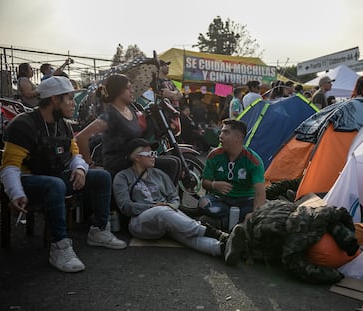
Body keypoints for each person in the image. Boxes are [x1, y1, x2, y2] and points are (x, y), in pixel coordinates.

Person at [1, 76, 127, 273]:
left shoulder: (64, 125)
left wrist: (79, 169)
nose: (73, 103)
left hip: (56, 177)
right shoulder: (23, 125)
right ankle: (59, 245)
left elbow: (75, 154)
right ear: (54, 100)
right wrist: (16, 193)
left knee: (101, 176)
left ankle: (100, 231)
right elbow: (9, 167)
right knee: (55, 185)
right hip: (28, 180)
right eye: (69, 98)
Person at [112, 138, 246, 264]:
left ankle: (221, 249)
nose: (154, 156)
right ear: (137, 157)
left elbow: (174, 197)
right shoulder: (123, 177)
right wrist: (153, 207)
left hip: (167, 215)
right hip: (140, 223)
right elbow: (125, 206)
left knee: (186, 236)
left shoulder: (159, 174)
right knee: (163, 212)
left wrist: (171, 205)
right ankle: (218, 234)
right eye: (150, 153)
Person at [75, 74, 150, 177]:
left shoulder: (131, 111)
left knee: (173, 161)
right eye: (128, 88)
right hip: (119, 166)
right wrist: (90, 164)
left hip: (135, 161)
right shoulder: (110, 115)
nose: (132, 91)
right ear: (118, 90)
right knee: (169, 164)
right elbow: (81, 137)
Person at [198, 119, 266, 230]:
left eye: (226, 132)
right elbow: (205, 182)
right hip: (221, 200)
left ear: (238, 138)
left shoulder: (253, 160)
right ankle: (236, 222)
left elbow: (260, 193)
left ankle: (222, 222)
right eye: (221, 132)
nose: (221, 136)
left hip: (245, 201)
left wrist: (254, 213)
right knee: (203, 203)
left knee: (260, 209)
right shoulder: (214, 155)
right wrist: (215, 185)